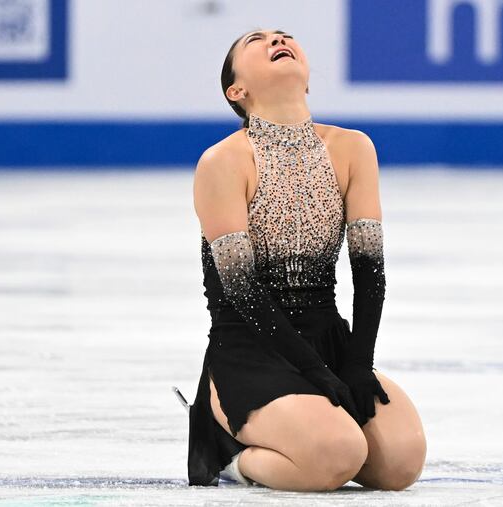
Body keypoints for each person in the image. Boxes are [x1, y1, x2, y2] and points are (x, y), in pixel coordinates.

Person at [187, 28, 426, 491]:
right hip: (250, 352)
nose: (277, 40)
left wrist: (357, 362)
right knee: (337, 454)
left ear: (308, 79)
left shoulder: (353, 148)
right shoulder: (223, 162)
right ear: (236, 91)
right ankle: (229, 454)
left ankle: (307, 430)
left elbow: (368, 270)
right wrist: (313, 373)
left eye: (285, 36)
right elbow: (242, 290)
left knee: (400, 464)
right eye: (257, 40)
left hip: (328, 341)